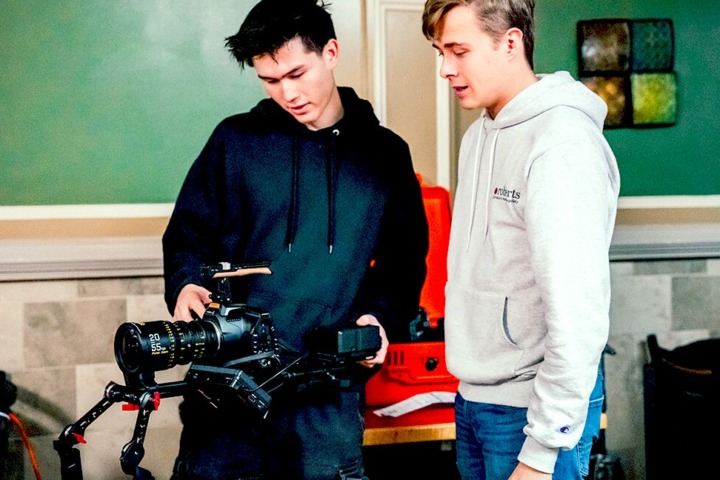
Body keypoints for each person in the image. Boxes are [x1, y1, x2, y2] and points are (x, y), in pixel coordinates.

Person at [162, 1, 429, 478]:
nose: (287, 93)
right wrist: (187, 284)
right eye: (270, 80)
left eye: (296, 73)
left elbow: (404, 262)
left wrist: (380, 317)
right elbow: (187, 236)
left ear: (331, 52)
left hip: (326, 399)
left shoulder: (385, 155)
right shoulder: (234, 141)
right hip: (227, 392)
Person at [421, 1, 620, 479]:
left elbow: (578, 314)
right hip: (473, 398)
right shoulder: (478, 135)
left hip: (531, 411)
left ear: (510, 42)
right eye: (440, 52)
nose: (446, 69)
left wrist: (544, 448)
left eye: (459, 51)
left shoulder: (562, 141)